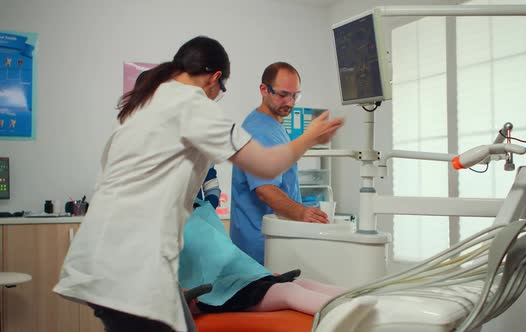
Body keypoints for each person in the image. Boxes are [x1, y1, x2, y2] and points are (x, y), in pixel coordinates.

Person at [53, 36, 343, 332]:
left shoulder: (144, 107)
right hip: (133, 270)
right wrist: (310, 137)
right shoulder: (190, 103)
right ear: (215, 79)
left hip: (103, 262)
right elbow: (266, 166)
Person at [230, 62, 329, 264]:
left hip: (270, 238)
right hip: (263, 244)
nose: (290, 102)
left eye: (295, 95)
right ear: (263, 89)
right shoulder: (261, 130)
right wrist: (302, 212)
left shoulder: (270, 124)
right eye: (283, 94)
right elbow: (265, 189)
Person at [179, 199, 345, 316]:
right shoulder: (168, 219)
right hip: (209, 295)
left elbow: (227, 255)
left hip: (235, 280)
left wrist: (259, 274)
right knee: (288, 291)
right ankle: (359, 316)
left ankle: (366, 299)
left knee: (301, 283)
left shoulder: (200, 207)